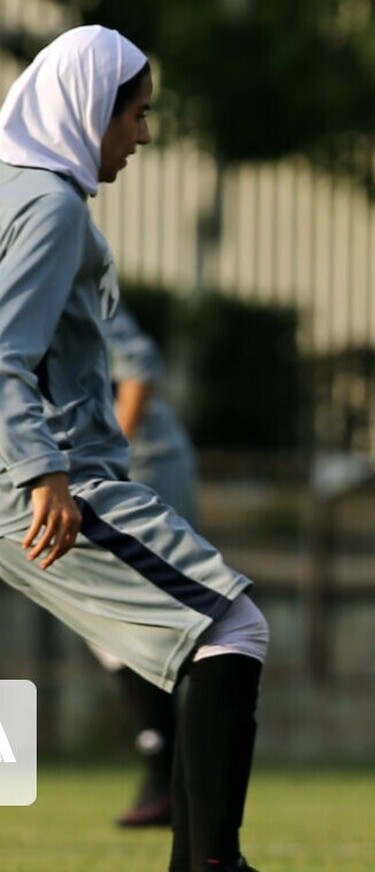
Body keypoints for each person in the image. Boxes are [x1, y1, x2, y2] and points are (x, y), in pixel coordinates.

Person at [0, 26, 266, 872]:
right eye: (138, 115)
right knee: (232, 627)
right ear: (89, 111)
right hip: (50, 482)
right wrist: (45, 473)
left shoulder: (14, 187)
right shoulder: (49, 205)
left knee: (194, 638)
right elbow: (4, 352)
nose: (143, 136)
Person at [87, 301, 199, 828]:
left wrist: (112, 464)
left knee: (136, 616)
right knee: (103, 619)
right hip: (89, 477)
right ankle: (170, 770)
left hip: (141, 471)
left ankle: (171, 772)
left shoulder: (62, 273)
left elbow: (137, 370)